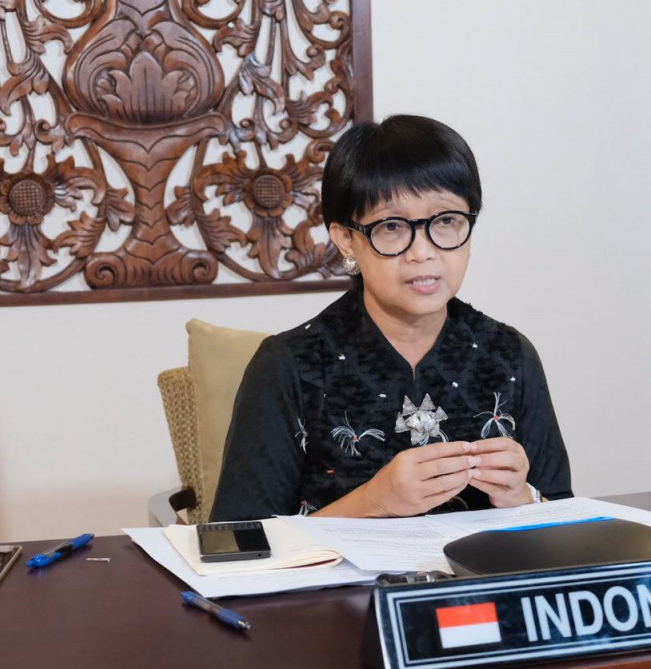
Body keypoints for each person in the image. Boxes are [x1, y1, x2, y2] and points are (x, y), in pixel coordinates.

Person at [210, 114, 571, 521]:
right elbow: (239, 542)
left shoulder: (510, 355)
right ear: (346, 240)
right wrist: (374, 501)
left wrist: (525, 498)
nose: (423, 252)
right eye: (392, 226)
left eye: (446, 221)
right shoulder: (287, 366)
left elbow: (565, 518)